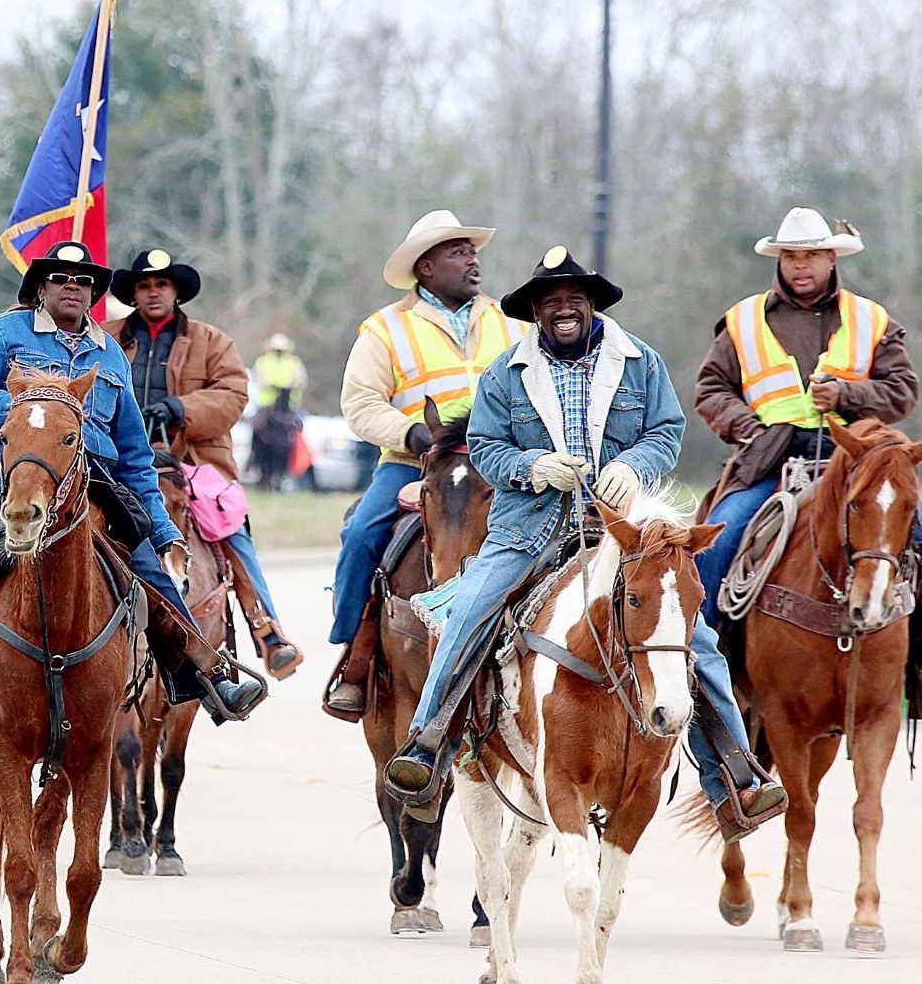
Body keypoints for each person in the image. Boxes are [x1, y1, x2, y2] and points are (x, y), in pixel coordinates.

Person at [382, 247, 788, 842]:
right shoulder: (505, 374)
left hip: (621, 529)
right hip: (529, 528)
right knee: (469, 610)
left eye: (574, 300)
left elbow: (666, 431)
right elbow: (488, 449)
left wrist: (635, 464)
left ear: (592, 305)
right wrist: (534, 465)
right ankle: (429, 744)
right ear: (537, 312)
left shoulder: (639, 362)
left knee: (693, 640)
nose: (563, 310)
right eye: (551, 303)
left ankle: (733, 780)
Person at [0, 241, 266, 734]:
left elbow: (134, 454)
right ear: (42, 287)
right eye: (62, 278)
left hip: (94, 486)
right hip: (4, 478)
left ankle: (207, 672)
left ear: (92, 293)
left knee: (149, 569)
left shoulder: (109, 353)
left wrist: (159, 527)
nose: (74, 286)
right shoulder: (2, 333)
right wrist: (39, 413)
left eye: (83, 280)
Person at [325, 210, 524, 716]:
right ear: (426, 267)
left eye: (472, 251)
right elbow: (361, 403)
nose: (471, 260)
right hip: (415, 462)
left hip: (498, 462)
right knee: (363, 534)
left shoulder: (512, 322)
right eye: (458, 253)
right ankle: (358, 652)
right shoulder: (384, 329)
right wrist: (413, 434)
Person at [695, 207, 916, 623]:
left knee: (916, 530)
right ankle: (702, 658)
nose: (801, 266)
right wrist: (752, 430)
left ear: (832, 259)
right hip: (770, 462)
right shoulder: (743, 319)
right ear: (779, 261)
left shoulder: (871, 319)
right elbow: (710, 389)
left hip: (859, 462)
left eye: (811, 256)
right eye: (791, 256)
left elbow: (903, 392)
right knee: (719, 539)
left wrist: (846, 395)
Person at [106, 248, 304, 678]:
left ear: (176, 291)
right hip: (117, 460)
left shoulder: (212, 341)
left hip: (191, 460)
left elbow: (233, 394)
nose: (153, 292)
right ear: (134, 293)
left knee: (229, 527)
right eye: (144, 285)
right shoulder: (105, 338)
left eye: (161, 284)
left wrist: (180, 408)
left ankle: (267, 630)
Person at [251, 332, 307, 409]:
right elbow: (258, 379)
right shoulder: (262, 361)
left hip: (289, 404)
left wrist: (290, 386)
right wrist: (269, 385)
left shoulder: (294, 362)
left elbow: (301, 381)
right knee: (257, 420)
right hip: (267, 404)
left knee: (298, 420)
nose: (278, 351)